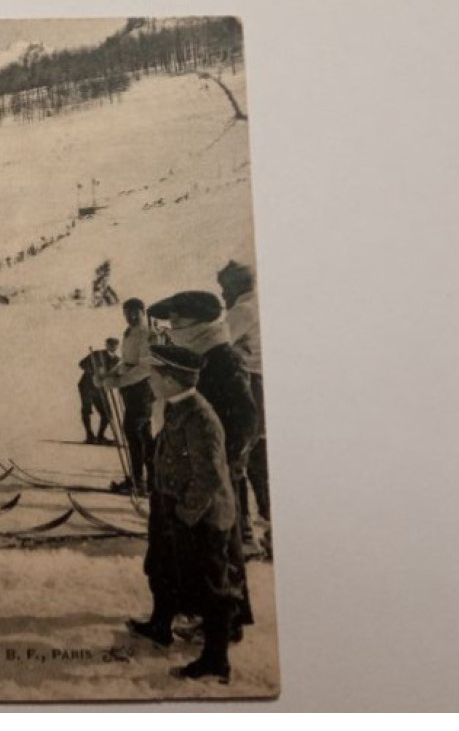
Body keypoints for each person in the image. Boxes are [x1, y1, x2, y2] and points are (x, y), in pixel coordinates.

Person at [128, 344, 246, 684]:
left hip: (202, 517)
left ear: (170, 379)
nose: (149, 381)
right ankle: (160, 627)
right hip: (173, 506)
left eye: (154, 375)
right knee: (162, 566)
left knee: (211, 588)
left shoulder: (200, 416)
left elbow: (208, 475)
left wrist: (184, 513)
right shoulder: (176, 406)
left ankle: (215, 660)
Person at [219, 261, 269, 557]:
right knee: (258, 461)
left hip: (246, 386)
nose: (223, 294)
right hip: (259, 386)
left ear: (237, 285)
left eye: (225, 287)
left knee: (237, 457)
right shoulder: (258, 305)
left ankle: (243, 532)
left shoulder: (244, 310)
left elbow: (219, 341)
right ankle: (271, 528)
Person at [101, 299, 155, 494]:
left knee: (134, 432)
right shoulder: (130, 332)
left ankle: (139, 481)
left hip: (142, 388)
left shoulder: (147, 334)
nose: (130, 316)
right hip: (132, 390)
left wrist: (118, 382)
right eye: (127, 313)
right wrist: (110, 374)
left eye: (134, 312)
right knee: (142, 435)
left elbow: (144, 368)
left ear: (143, 311)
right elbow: (126, 361)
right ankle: (149, 481)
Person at [77, 338, 120, 445]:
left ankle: (100, 436)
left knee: (107, 413)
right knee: (86, 410)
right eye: (110, 344)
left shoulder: (117, 360)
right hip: (87, 385)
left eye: (115, 345)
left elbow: (117, 373)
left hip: (100, 388)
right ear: (106, 345)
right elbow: (82, 364)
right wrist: (93, 371)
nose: (113, 347)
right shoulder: (97, 354)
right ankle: (89, 436)